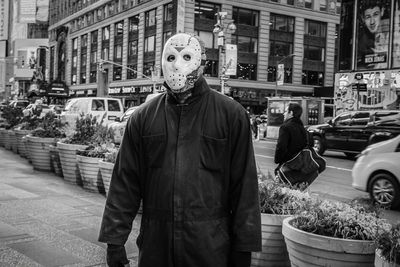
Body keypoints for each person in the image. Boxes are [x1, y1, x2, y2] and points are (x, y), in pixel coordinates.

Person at [98, 33, 261, 267]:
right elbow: (125, 181)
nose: (176, 64)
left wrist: (243, 248)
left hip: (210, 248)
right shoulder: (143, 117)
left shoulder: (231, 115)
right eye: (171, 57)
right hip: (157, 247)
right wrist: (114, 240)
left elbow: (244, 186)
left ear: (202, 63)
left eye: (186, 56)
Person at [357, 0, 389, 69]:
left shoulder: (392, 35)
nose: (372, 22)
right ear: (363, 18)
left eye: (375, 15)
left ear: (382, 11)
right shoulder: (360, 43)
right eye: (368, 17)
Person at [274, 102, 308, 167]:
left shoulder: (285, 127)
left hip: (288, 163)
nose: (284, 114)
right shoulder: (302, 127)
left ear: (291, 113)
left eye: (286, 111)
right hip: (299, 164)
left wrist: (277, 160)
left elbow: (281, 146)